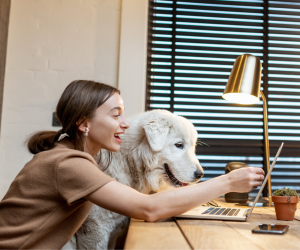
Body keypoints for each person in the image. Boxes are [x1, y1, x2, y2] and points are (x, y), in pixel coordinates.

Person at [0, 80, 265, 249]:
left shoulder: (85, 156)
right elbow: (147, 209)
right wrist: (228, 182)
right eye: (116, 115)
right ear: (84, 124)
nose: (126, 123)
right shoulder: (69, 164)